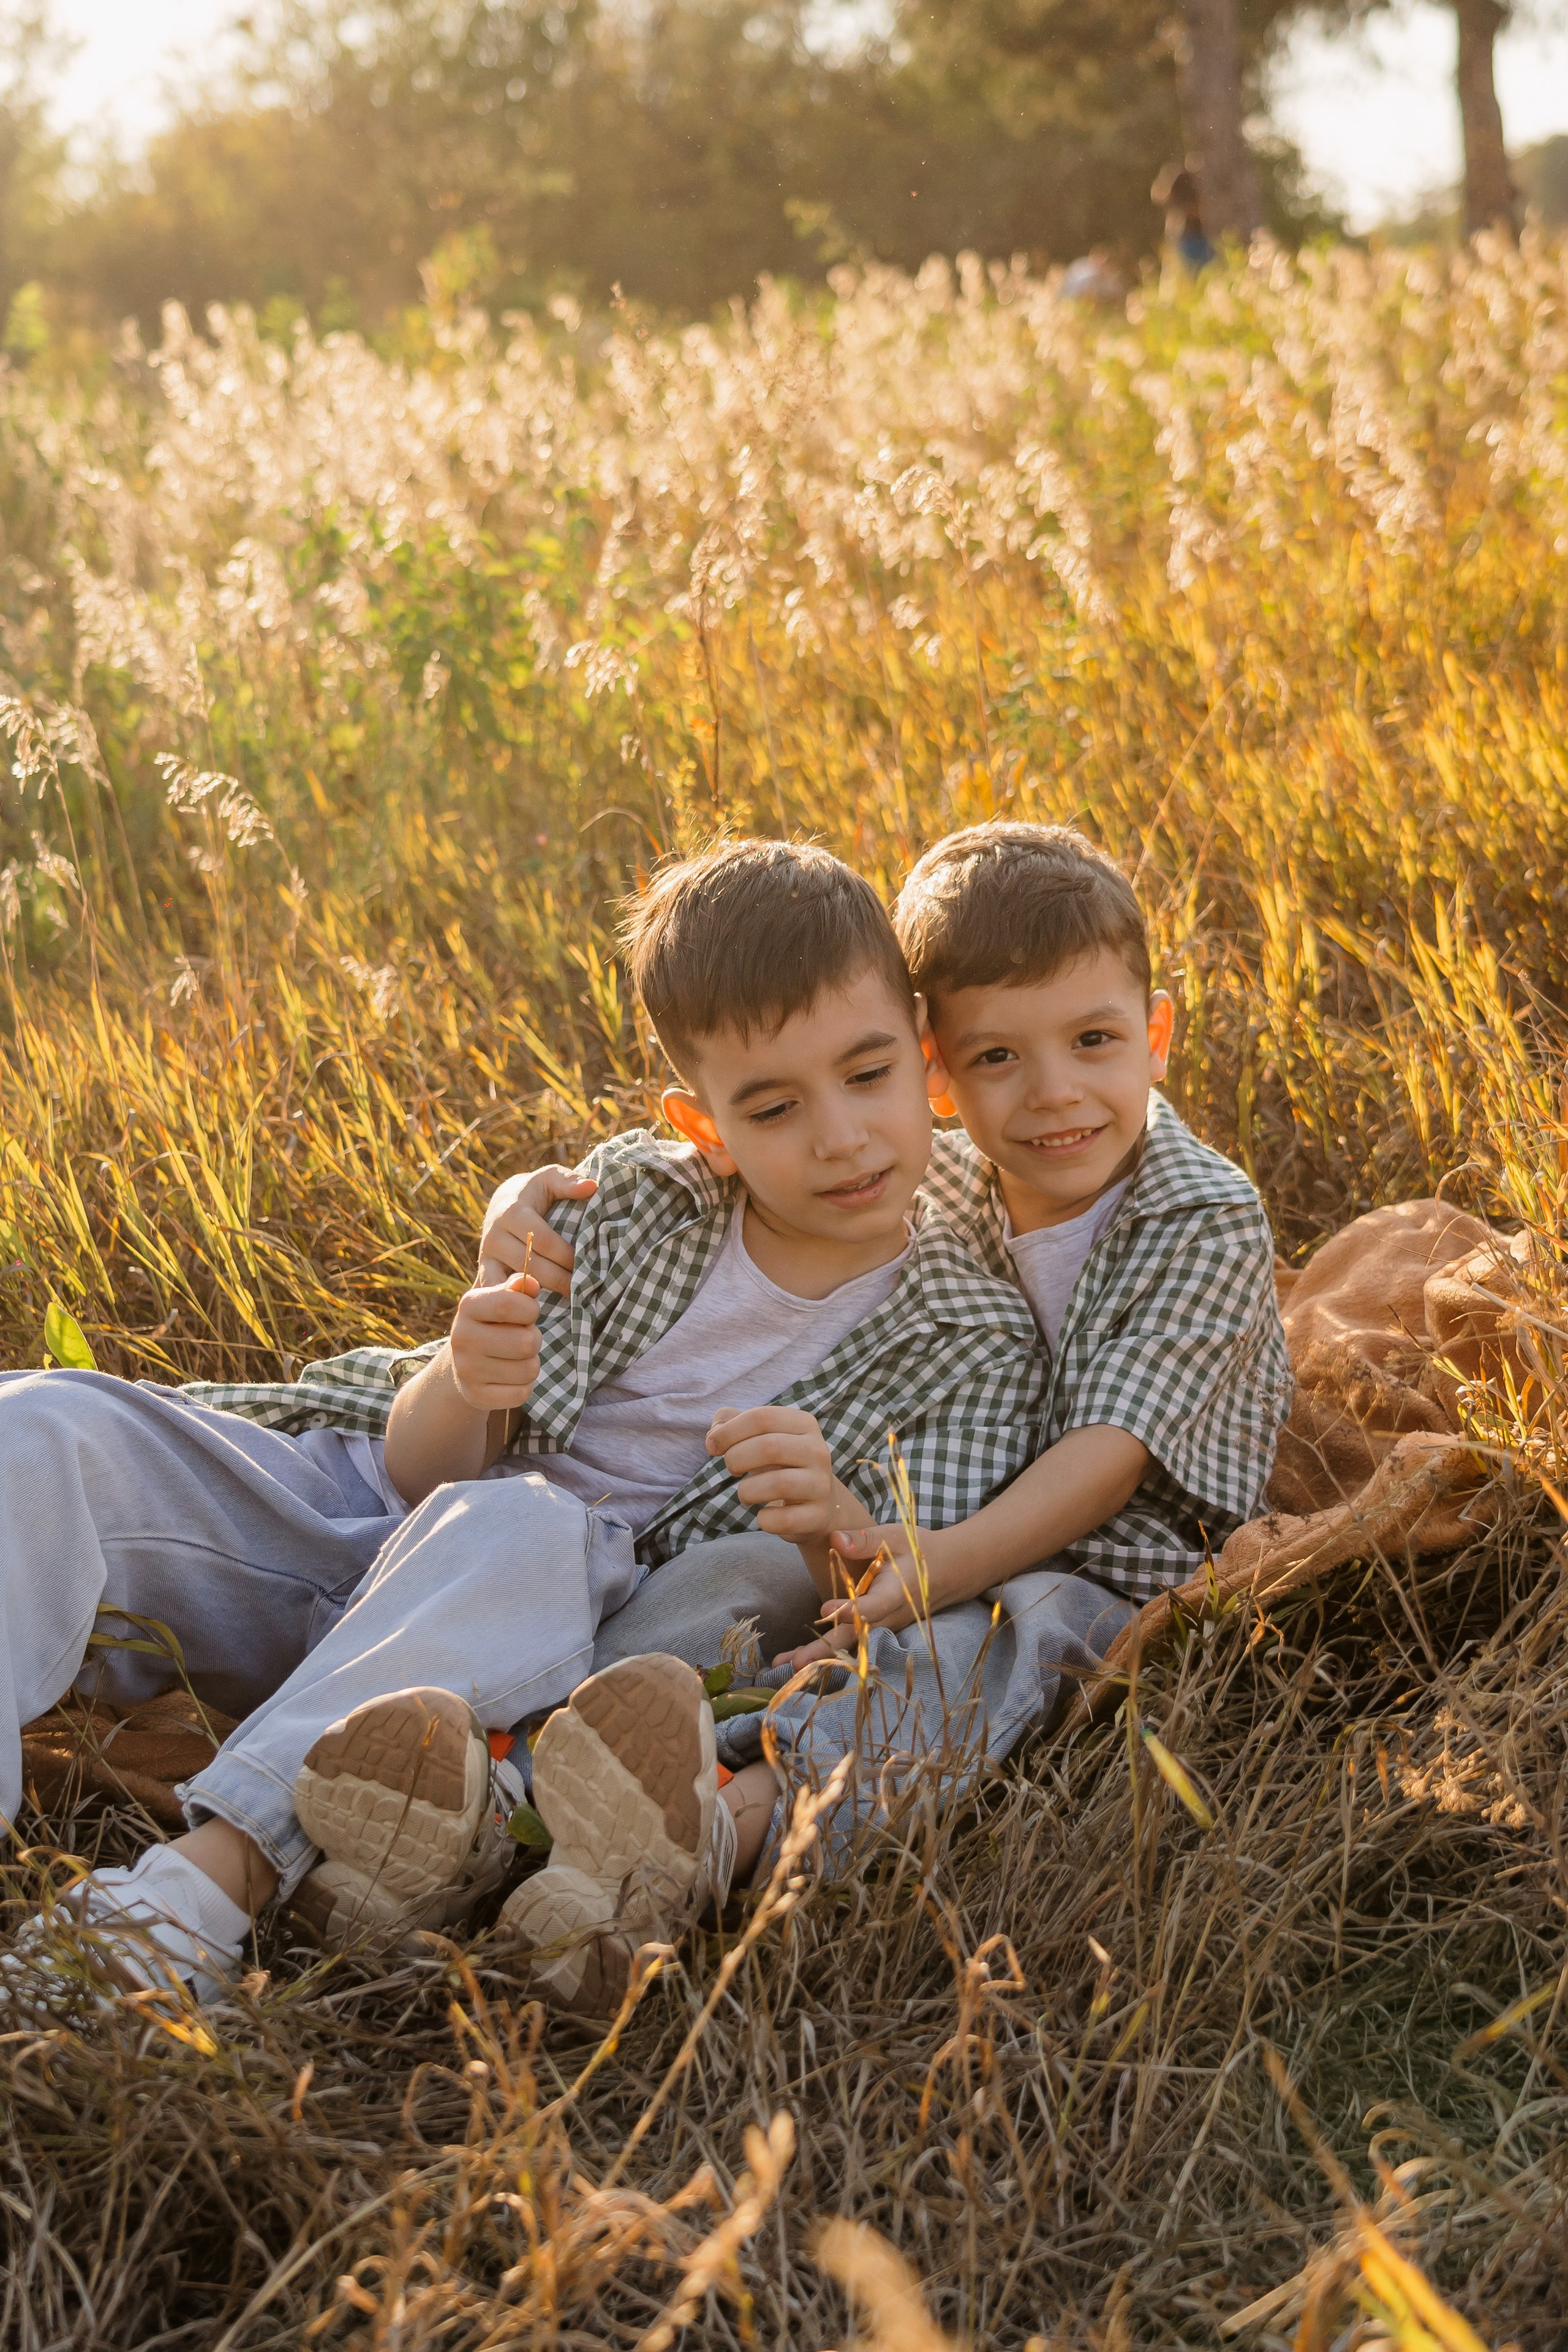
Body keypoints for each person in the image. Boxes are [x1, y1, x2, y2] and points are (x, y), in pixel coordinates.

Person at [0, 839, 1048, 2009]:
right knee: (43, 1424)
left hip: (560, 1636)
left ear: (927, 1053)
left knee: (529, 1523)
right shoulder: (635, 1206)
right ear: (701, 1125)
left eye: (868, 1075)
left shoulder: (977, 1332)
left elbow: (890, 1590)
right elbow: (414, 1469)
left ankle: (194, 1894)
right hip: (361, 1530)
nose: (843, 1136)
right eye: (774, 1105)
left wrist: (836, 1522)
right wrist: (463, 1379)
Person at [497, 821, 1291, 2003]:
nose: (1056, 1093)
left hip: (1103, 1562)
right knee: (768, 1601)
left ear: (1156, 1036)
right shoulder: (942, 1171)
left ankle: (708, 1839)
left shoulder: (1196, 1213)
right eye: (999, 1060)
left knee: (964, 1664)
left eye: (1094, 1042)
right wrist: (521, 1201)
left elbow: (1109, 1457)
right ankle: (566, 1768)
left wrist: (933, 1570)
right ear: (939, 1069)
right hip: (924, 1530)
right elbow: (707, 1160)